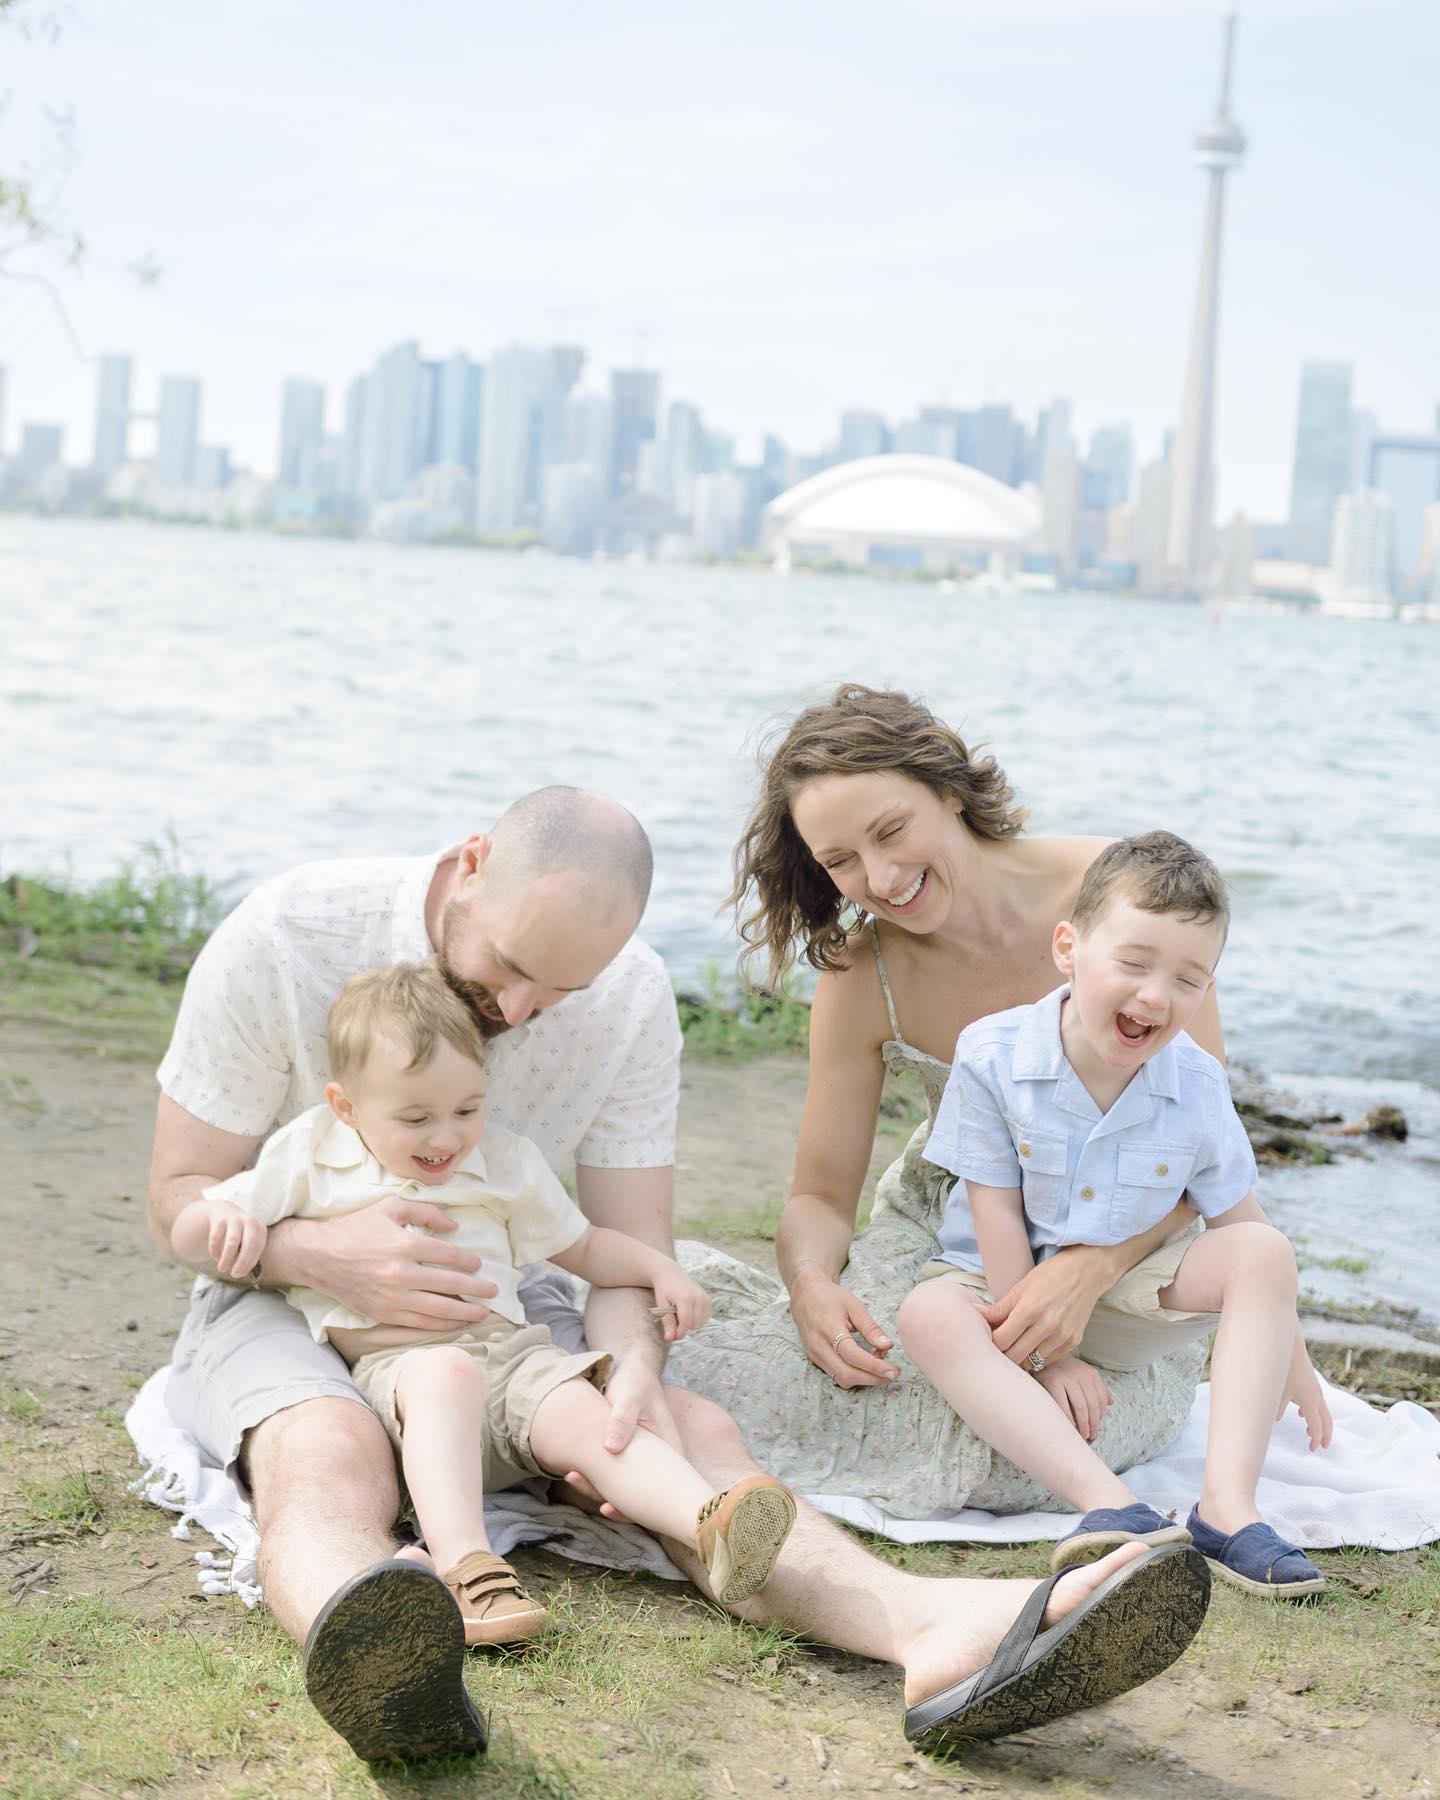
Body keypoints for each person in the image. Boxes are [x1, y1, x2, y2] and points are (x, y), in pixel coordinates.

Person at [148, 784, 1209, 1765]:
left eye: (559, 990)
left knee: (687, 1438)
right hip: (288, 1304)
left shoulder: (630, 998)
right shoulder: (288, 935)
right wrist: (316, 1252)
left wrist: (632, 1373)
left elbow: (625, 1250)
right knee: (323, 1447)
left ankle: (922, 1627)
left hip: (502, 1317)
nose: (518, 1011)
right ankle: (380, 1648)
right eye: (509, 969)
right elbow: (179, 1194)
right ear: (472, 864)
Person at [670, 686, 1225, 1515]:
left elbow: (1203, 1149)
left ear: (949, 788)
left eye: (892, 831)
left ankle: (1104, 1497)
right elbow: (821, 1194)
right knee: (856, 1387)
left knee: (1040, 1442)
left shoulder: (1114, 894)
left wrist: (1091, 1266)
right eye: (840, 861)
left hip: (1129, 1222)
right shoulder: (865, 975)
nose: (881, 878)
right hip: (954, 1226)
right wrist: (813, 1285)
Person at [172, 960, 799, 1659]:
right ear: (346, 1106)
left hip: (514, 1359)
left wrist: (657, 1267)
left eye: (466, 1110)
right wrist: (233, 1226)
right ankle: (468, 1568)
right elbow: (195, 1224)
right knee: (448, 1375)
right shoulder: (311, 1152)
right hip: (404, 1374)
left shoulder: (504, 1162)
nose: (445, 1138)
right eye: (416, 1118)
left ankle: (708, 1524)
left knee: (589, 1412)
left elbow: (584, 1247)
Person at [899, 832, 1331, 1597]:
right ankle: (1111, 1506)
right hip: (998, 1286)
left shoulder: (1196, 1083)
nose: (1157, 997)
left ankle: (1226, 1510)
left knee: (1264, 1249)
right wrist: (1044, 1355)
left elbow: (1240, 1220)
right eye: (1134, 963)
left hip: (1129, 1294)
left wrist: (1297, 1366)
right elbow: (993, 1208)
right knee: (928, 1314)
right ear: (1068, 947)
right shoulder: (995, 1055)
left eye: (1189, 978)